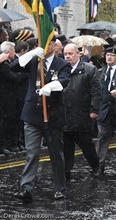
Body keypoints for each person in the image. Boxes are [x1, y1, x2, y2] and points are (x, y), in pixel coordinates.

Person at [12, 37, 71, 202]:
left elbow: (64, 81)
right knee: (32, 153)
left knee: (55, 154)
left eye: (47, 44)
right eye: (41, 44)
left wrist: (50, 87)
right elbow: (14, 66)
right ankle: (26, 189)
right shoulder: (34, 60)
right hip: (32, 115)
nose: (44, 47)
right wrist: (31, 53)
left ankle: (59, 189)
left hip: (53, 117)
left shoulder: (62, 64)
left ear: (54, 46)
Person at [62, 43, 101, 180]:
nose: (67, 56)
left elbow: (96, 91)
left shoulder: (89, 69)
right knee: (66, 146)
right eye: (65, 54)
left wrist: (94, 109)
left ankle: (96, 166)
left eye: (70, 53)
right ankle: (66, 171)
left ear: (78, 54)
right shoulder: (62, 69)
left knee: (86, 145)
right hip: (65, 114)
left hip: (82, 114)